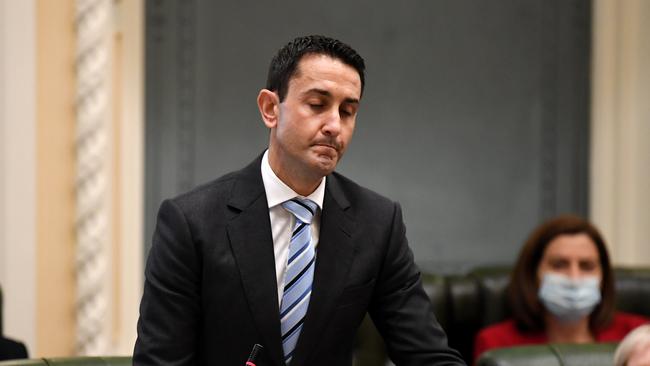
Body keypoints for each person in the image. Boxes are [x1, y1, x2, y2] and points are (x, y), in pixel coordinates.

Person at [134, 35, 464, 366]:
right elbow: (160, 361)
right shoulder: (191, 221)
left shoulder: (377, 222)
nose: (335, 126)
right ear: (270, 109)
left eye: (347, 111)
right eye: (317, 105)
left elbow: (428, 355)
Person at [473, 215, 649, 362]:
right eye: (559, 265)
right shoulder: (496, 342)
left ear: (604, 277)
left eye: (587, 266)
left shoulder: (638, 336)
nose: (574, 277)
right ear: (533, 274)